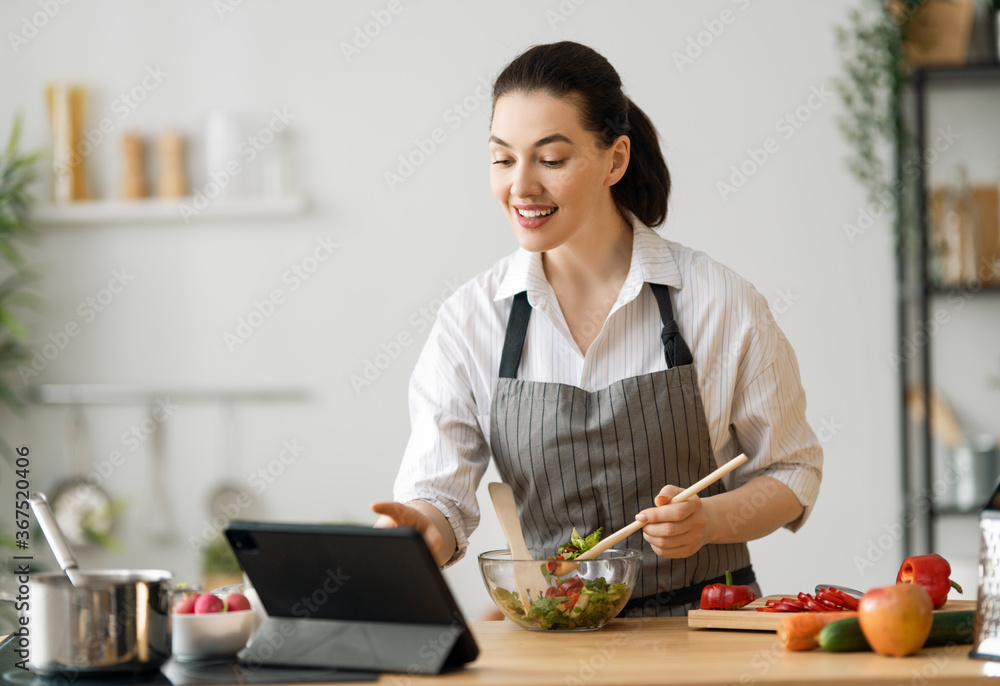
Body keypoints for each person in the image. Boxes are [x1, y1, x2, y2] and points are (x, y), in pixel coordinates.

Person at [372, 41, 822, 617]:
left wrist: (709, 521)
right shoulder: (471, 319)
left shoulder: (719, 301)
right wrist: (424, 530)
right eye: (503, 159)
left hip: (709, 628)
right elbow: (440, 496)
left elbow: (792, 469)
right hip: (553, 631)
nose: (522, 186)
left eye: (551, 160)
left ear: (615, 159)